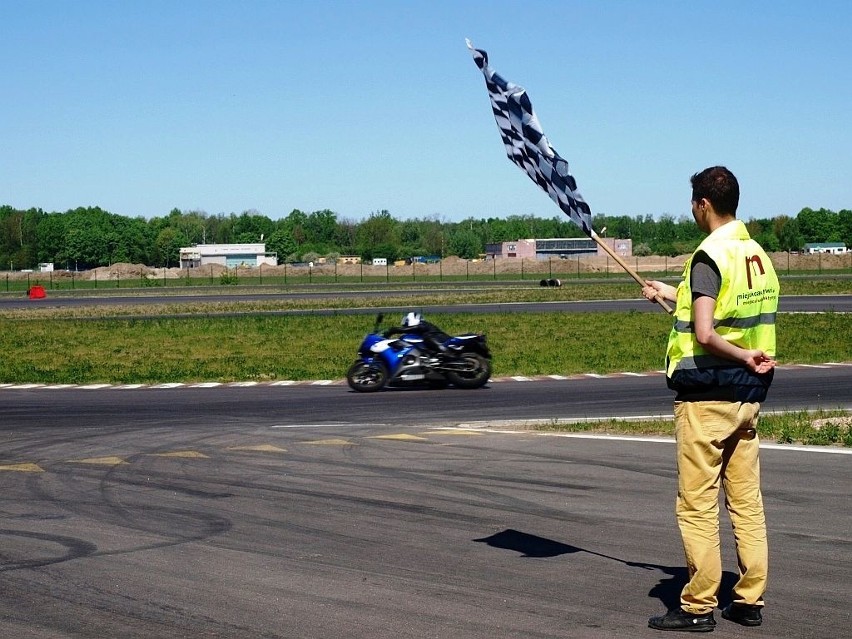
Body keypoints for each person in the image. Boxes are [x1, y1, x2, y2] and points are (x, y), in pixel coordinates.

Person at [642, 166, 779, 632]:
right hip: (747, 399)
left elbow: (705, 332)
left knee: (697, 505)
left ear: (703, 203)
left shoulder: (707, 254)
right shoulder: (754, 252)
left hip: (707, 400)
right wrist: (671, 292)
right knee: (746, 502)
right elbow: (721, 308)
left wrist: (740, 355)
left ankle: (698, 605)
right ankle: (748, 601)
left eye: (692, 202)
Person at [384, 312, 455, 359]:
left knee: (427, 337)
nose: (405, 325)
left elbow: (411, 328)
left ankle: (446, 352)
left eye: (407, 322)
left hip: (444, 341)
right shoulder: (419, 333)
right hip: (433, 350)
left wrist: (394, 330)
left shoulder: (423, 325)